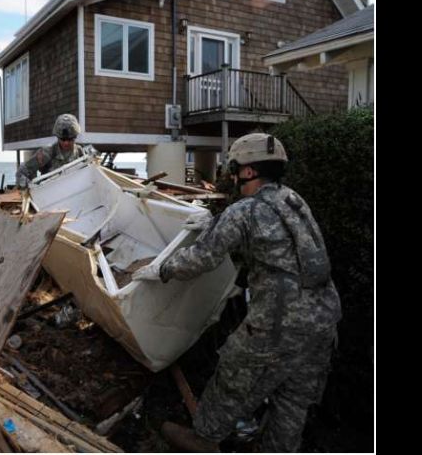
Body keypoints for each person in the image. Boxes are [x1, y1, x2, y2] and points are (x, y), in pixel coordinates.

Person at [132, 132, 341, 452]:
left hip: (280, 320)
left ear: (247, 171)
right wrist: (217, 224)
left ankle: (203, 439)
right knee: (293, 399)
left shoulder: (244, 211)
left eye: (233, 167)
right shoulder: (292, 199)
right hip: (324, 317)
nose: (231, 175)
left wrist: (162, 269)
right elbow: (280, 249)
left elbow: (200, 260)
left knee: (234, 375)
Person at [16, 114, 84, 188]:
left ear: (75, 137)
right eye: (63, 139)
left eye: (70, 139)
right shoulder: (47, 153)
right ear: (57, 137)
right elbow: (22, 172)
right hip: (50, 194)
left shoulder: (80, 152)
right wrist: (29, 186)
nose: (66, 143)